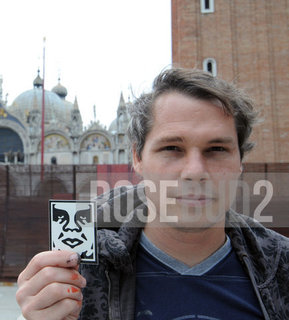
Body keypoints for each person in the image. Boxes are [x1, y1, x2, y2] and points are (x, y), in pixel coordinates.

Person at [15, 68, 289, 319]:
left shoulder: (281, 268)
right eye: (172, 148)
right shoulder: (81, 272)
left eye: (216, 149)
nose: (194, 171)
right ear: (137, 157)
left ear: (241, 160)